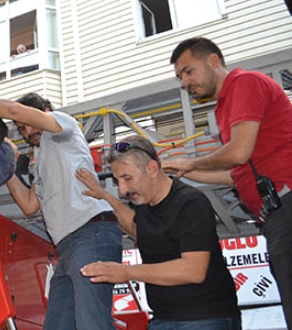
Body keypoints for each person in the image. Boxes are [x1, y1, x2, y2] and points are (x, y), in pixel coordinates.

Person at [0, 92, 122, 329]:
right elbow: (29, 205)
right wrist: (7, 167)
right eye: (21, 130)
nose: (27, 132)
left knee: (92, 325)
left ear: (44, 112)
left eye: (28, 125)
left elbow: (13, 111)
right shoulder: (40, 160)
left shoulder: (63, 126)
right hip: (67, 247)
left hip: (91, 233)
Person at [163, 36, 292, 327]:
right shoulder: (223, 107)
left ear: (213, 61)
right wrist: (183, 170)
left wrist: (190, 162)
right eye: (179, 77)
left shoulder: (244, 83)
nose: (185, 82)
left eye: (188, 71)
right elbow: (236, 173)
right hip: (275, 212)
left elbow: (238, 152)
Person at [77, 135, 241, 329]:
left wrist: (127, 272)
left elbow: (194, 270)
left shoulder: (190, 202)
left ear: (152, 168)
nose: (122, 189)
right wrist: (104, 195)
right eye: (118, 180)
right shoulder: (144, 203)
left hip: (205, 318)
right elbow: (137, 229)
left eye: (127, 178)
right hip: (162, 319)